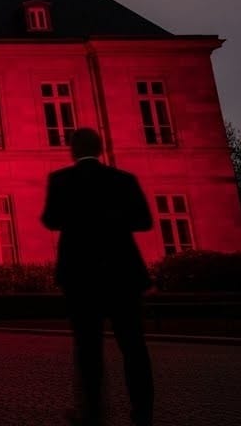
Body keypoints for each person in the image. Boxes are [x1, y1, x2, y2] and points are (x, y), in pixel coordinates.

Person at [42, 128, 155, 426]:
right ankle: (142, 413)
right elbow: (143, 221)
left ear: (73, 150)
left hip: (81, 274)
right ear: (101, 148)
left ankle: (91, 412)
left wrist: (79, 218)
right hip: (122, 272)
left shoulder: (62, 180)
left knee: (88, 346)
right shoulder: (123, 180)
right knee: (134, 347)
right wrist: (112, 219)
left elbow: (50, 219)